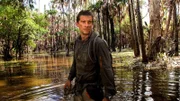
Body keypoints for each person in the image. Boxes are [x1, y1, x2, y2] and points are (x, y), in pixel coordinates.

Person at [64, 10, 116, 101]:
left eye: (89, 22)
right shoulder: (77, 42)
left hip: (93, 91)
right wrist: (69, 79)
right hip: (78, 89)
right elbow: (76, 63)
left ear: (92, 24)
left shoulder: (99, 43)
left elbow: (107, 69)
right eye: (83, 22)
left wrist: (108, 95)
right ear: (77, 24)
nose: (86, 25)